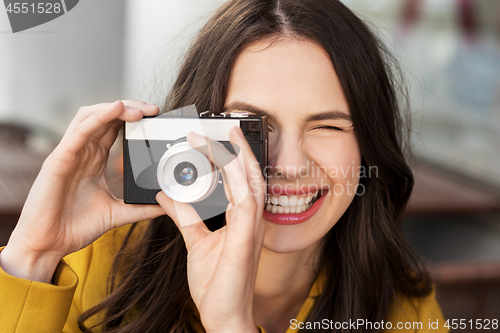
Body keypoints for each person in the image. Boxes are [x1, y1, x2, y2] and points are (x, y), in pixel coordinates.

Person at [0, 0, 449, 332]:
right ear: (191, 130)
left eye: (328, 127)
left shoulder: (403, 310)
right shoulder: (93, 267)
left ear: (369, 145)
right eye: (250, 126)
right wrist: (34, 257)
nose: (288, 166)